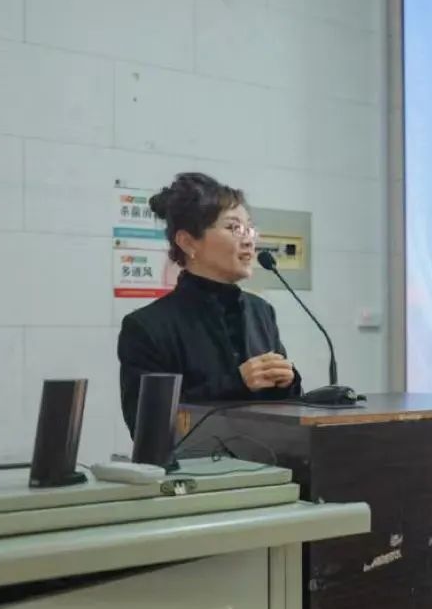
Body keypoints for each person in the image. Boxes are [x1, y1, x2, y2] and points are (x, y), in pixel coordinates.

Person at [117, 172, 301, 436]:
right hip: (193, 462)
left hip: (267, 456)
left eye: (249, 228)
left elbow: (284, 411)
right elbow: (145, 424)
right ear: (188, 242)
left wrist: (287, 383)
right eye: (233, 228)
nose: (249, 240)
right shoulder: (147, 326)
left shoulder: (261, 311)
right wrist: (236, 383)